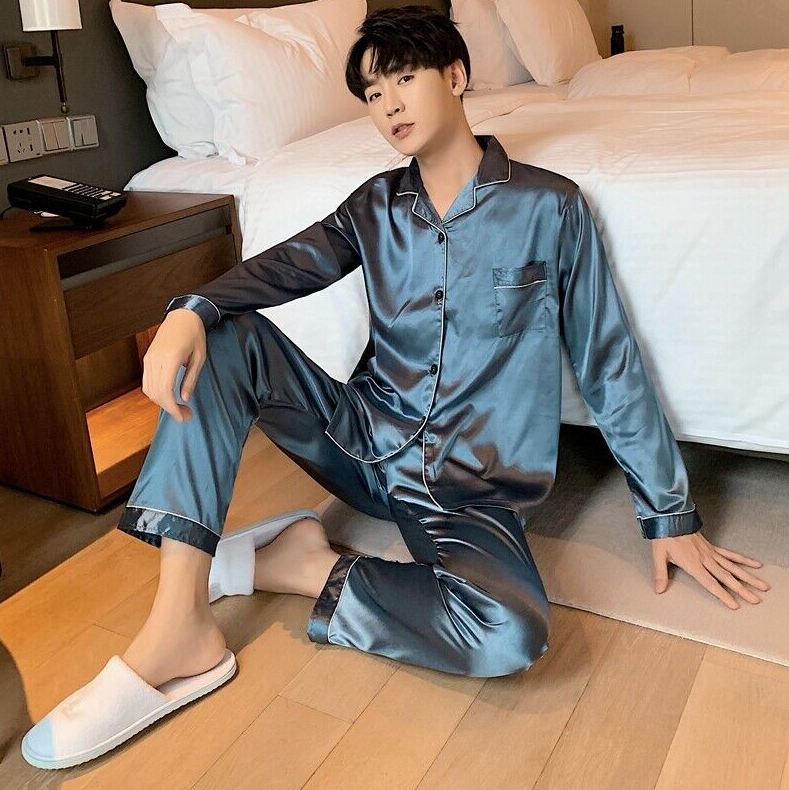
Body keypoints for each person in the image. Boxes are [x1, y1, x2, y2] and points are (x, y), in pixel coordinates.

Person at [24, 4, 770, 769]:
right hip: (361, 443)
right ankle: (178, 628)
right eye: (372, 93)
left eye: (403, 79)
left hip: (470, 490)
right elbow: (283, 268)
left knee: (509, 631)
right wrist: (189, 309)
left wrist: (667, 514)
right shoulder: (372, 205)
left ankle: (300, 564)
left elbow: (607, 361)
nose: (387, 105)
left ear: (455, 74)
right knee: (220, 335)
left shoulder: (549, 206)